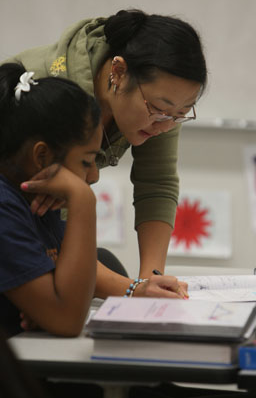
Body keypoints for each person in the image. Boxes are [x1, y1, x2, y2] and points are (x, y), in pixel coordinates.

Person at [4, 9, 208, 282]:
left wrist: (152, 277)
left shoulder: (163, 105)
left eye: (182, 113)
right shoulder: (53, 95)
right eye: (160, 110)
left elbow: (157, 183)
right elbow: (50, 243)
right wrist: (133, 290)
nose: (166, 125)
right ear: (119, 72)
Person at [0, 62, 187, 339]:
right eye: (87, 161)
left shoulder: (43, 199)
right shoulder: (6, 207)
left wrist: (50, 303)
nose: (94, 175)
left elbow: (64, 294)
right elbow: (67, 321)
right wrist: (83, 200)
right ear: (41, 157)